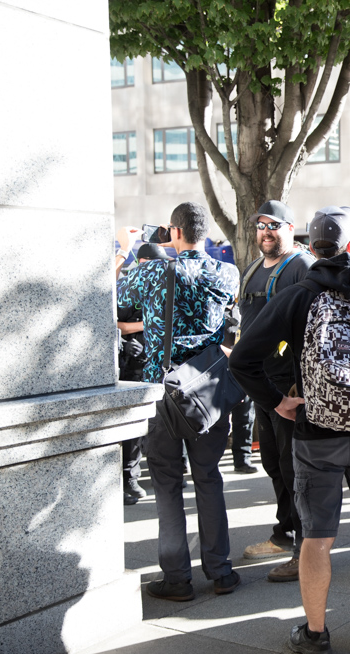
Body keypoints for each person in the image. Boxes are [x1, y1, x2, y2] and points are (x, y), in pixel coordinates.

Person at [230, 205, 350, 654]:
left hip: (314, 433)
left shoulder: (296, 297)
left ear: (311, 246)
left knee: (316, 537)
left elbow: (242, 359)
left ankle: (315, 636)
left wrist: (277, 401)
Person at [116, 202, 241, 601]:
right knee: (209, 478)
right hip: (207, 392)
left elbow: (114, 298)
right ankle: (221, 572)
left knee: (167, 485)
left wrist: (127, 251)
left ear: (174, 231)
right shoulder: (227, 273)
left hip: (162, 393)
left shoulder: (152, 271)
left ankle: (177, 579)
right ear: (204, 233)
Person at [236, 200, 316, 583]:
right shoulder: (253, 269)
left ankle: (306, 547)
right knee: (272, 462)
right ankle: (284, 533)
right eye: (261, 225)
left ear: (290, 228)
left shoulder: (302, 267)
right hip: (262, 385)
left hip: (290, 385)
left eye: (274, 225)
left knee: (293, 465)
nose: (266, 232)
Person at [117, 242, 170, 505]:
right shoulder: (130, 285)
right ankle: (129, 477)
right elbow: (115, 322)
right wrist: (145, 325)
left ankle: (167, 470)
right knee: (133, 427)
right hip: (133, 364)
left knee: (162, 422)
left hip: (157, 363)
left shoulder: (166, 285)